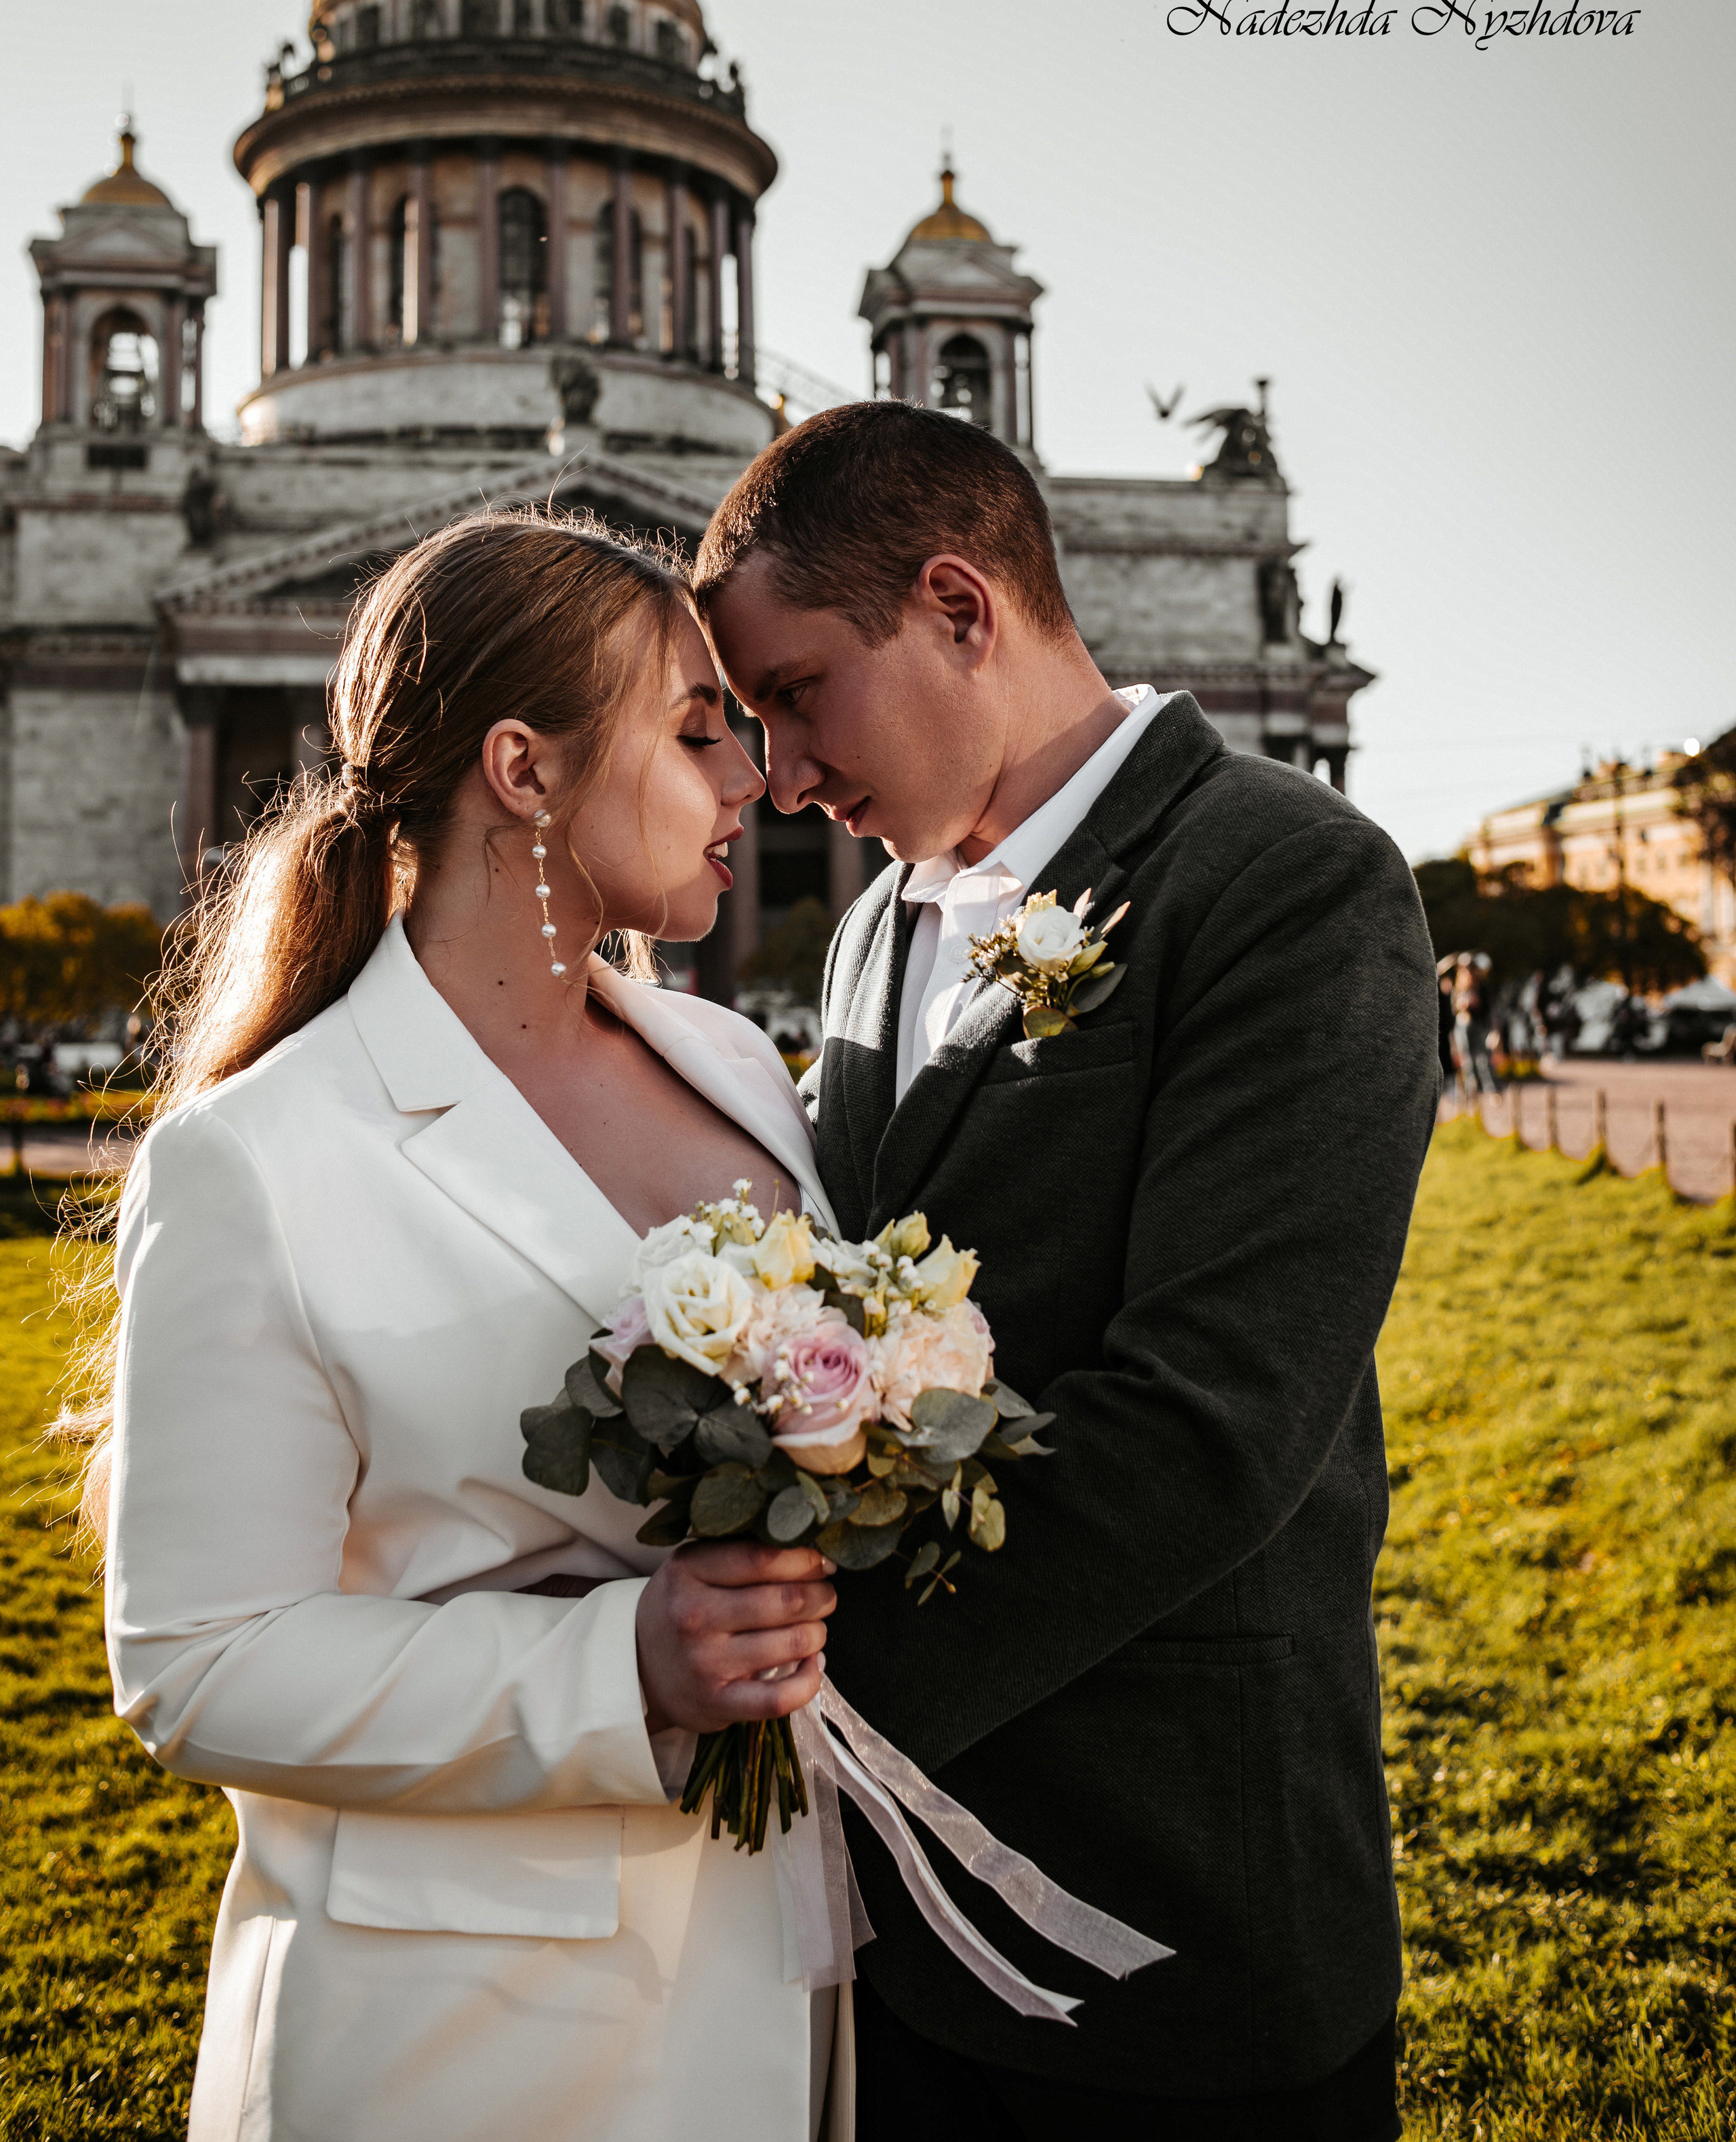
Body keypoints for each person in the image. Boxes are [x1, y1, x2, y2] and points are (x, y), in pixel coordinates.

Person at [695, 402, 1441, 2142]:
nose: (783, 776)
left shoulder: (1285, 877)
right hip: (892, 1937)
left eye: (797, 693)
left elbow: (1211, 1425)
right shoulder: (882, 918)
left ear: (958, 604)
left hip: (1173, 1897)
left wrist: (793, 1693)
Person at [89, 513, 845, 2142]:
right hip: (465, 2035)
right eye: (697, 728)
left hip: (775, 1975)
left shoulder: (736, 1072)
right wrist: (618, 1667)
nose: (759, 781)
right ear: (523, 768)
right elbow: (197, 1664)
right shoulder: (256, 1161)